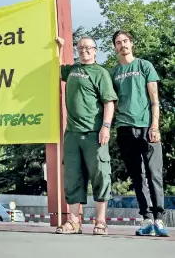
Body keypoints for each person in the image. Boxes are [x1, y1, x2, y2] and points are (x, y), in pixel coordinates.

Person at [55, 36, 117, 235]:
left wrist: (106, 127)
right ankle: (73, 222)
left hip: (94, 134)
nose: (84, 50)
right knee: (72, 176)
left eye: (88, 48)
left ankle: (100, 221)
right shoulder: (72, 70)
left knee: (100, 174)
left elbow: (109, 102)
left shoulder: (101, 73)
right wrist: (60, 47)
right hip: (72, 134)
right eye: (80, 48)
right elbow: (55, 69)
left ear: (95, 51)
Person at [110, 30, 168, 237]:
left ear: (131, 44)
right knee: (137, 176)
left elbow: (154, 99)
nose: (122, 45)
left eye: (125, 41)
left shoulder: (144, 66)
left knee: (154, 174)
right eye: (118, 42)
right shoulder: (113, 72)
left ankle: (159, 220)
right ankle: (146, 219)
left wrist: (155, 126)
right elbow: (112, 103)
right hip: (125, 128)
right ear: (115, 47)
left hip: (147, 127)